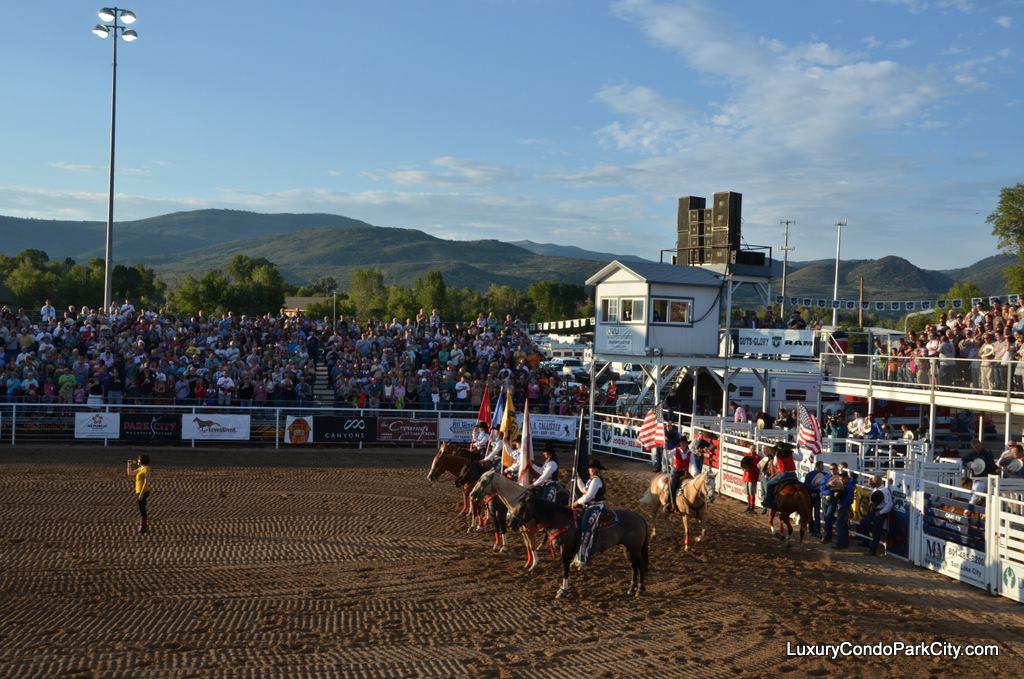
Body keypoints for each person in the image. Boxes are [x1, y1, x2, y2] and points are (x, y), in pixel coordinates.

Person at [572, 459, 607, 569]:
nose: (589, 469)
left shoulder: (596, 480)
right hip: (590, 506)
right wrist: (578, 479)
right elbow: (584, 490)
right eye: (589, 467)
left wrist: (577, 502)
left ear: (596, 469)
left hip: (596, 506)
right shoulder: (591, 480)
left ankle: (585, 556)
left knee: (586, 527)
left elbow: (589, 496)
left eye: (591, 467)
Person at [762, 441, 803, 511]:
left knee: (769, 484)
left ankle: (768, 502)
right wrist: (799, 449)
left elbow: (775, 465)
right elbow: (800, 458)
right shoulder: (791, 454)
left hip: (782, 474)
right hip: (792, 474)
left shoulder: (777, 455)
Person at [858, 475, 893, 556]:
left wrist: (881, 512)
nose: (872, 482)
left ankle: (872, 550)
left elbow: (889, 504)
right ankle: (876, 533)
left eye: (873, 481)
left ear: (878, 482)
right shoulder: (876, 489)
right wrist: (871, 503)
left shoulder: (884, 491)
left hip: (880, 512)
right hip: (875, 510)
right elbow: (872, 499)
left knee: (873, 529)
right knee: (863, 523)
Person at [666, 435, 693, 513]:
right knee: (673, 486)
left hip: (686, 472)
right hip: (677, 472)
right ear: (680, 444)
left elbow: (693, 463)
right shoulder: (675, 450)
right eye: (682, 443)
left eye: (684, 443)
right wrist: (665, 449)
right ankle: (668, 502)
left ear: (686, 444)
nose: (683, 444)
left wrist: (695, 473)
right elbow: (667, 455)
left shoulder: (689, 453)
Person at [127, 454, 153, 534]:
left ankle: (143, 527)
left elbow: (146, 482)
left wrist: (141, 493)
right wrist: (129, 464)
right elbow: (130, 473)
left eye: (139, 460)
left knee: (142, 508)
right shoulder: (140, 469)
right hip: (138, 491)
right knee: (141, 508)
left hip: (143, 491)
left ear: (142, 461)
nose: (137, 461)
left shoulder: (146, 469)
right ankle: (143, 527)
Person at [803, 460, 828, 536]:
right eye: (821, 465)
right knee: (811, 513)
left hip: (816, 495)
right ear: (817, 466)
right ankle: (812, 530)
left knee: (816, 513)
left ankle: (816, 530)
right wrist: (813, 486)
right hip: (811, 494)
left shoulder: (824, 474)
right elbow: (806, 484)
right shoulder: (811, 474)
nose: (823, 467)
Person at [832, 470, 855, 550]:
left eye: (842, 479)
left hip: (843, 506)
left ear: (846, 478)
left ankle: (840, 544)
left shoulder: (845, 487)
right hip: (846, 507)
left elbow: (845, 498)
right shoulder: (849, 486)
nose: (841, 481)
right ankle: (844, 543)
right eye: (840, 479)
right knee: (844, 526)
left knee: (840, 526)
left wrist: (836, 495)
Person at [820, 463, 841, 543]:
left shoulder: (839, 478)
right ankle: (828, 535)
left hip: (832, 499)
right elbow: (821, 488)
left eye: (834, 469)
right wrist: (828, 484)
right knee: (826, 518)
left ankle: (826, 536)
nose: (832, 470)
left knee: (828, 518)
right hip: (825, 498)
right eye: (831, 469)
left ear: (837, 469)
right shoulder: (826, 477)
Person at [740, 444, 761, 513]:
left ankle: (752, 506)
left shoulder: (757, 457)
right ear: (749, 449)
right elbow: (742, 464)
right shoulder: (746, 455)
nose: (752, 450)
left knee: (752, 492)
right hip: (746, 476)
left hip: (752, 477)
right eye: (751, 448)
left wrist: (749, 469)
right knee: (748, 492)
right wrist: (743, 468)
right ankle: (749, 505)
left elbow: (757, 468)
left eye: (753, 449)